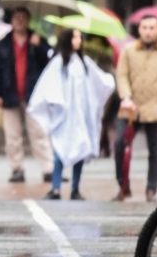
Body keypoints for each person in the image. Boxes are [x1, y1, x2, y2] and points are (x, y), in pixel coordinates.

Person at [27, 29, 116, 200]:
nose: (79, 40)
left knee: (80, 149)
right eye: (75, 37)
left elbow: (99, 80)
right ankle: (56, 188)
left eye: (80, 37)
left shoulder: (84, 62)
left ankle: (75, 188)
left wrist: (110, 80)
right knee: (60, 150)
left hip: (81, 115)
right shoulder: (59, 62)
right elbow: (48, 84)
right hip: (65, 116)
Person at [114, 14, 157, 202]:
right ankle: (123, 187)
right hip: (131, 107)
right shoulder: (128, 50)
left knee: (155, 151)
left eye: (152, 28)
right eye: (144, 28)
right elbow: (121, 76)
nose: (148, 31)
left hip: (156, 107)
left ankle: (151, 190)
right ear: (139, 29)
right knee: (120, 144)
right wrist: (126, 97)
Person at [0, 7, 54, 183]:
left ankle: (49, 168)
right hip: (9, 95)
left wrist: (39, 45)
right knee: (12, 136)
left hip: (33, 95)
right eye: (16, 18)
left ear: (29, 20)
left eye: (23, 18)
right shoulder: (3, 44)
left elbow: (51, 62)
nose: (20, 21)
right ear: (11, 21)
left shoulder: (37, 40)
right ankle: (17, 169)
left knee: (39, 133)